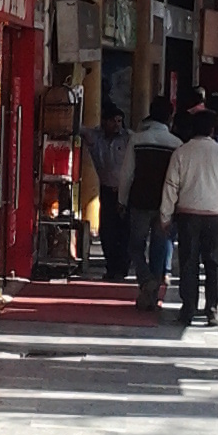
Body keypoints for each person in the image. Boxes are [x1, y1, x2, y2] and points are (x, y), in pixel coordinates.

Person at [158, 108, 218, 325]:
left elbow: (171, 187)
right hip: (215, 217)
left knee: (188, 263)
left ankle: (188, 308)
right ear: (213, 130)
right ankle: (213, 309)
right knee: (215, 264)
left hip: (187, 217)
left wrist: (165, 216)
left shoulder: (181, 153)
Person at [119, 96, 181, 309]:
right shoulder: (176, 144)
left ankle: (146, 281)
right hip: (165, 203)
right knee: (159, 247)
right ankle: (152, 293)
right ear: (170, 117)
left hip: (140, 200)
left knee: (135, 246)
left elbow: (127, 173)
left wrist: (122, 199)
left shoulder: (137, 140)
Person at [83, 102, 132, 282]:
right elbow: (78, 130)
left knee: (124, 230)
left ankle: (122, 267)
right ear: (104, 122)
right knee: (107, 230)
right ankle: (111, 266)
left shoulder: (128, 139)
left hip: (125, 190)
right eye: (113, 121)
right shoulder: (96, 138)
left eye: (119, 121)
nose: (117, 124)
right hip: (106, 189)